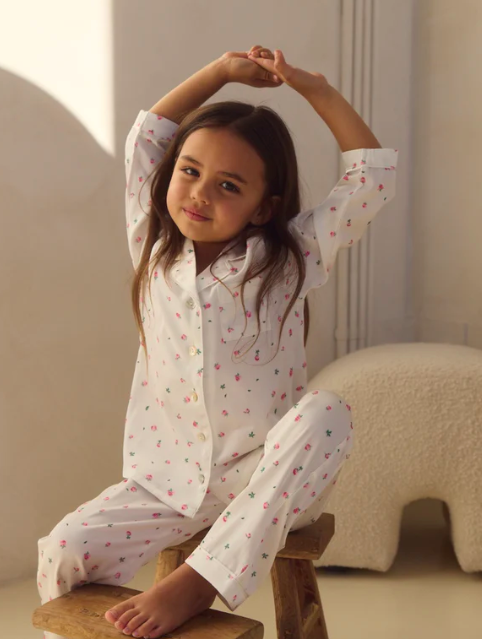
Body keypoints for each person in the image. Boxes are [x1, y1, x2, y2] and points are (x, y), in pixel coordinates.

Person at [36, 45, 398, 639]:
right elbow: (148, 137)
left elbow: (372, 178)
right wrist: (221, 72)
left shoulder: (291, 259)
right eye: (189, 171)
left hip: (266, 480)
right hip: (165, 482)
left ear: (263, 208)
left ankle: (203, 579)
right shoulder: (153, 247)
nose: (200, 194)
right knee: (65, 548)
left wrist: (314, 88)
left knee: (327, 412)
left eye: (228, 185)